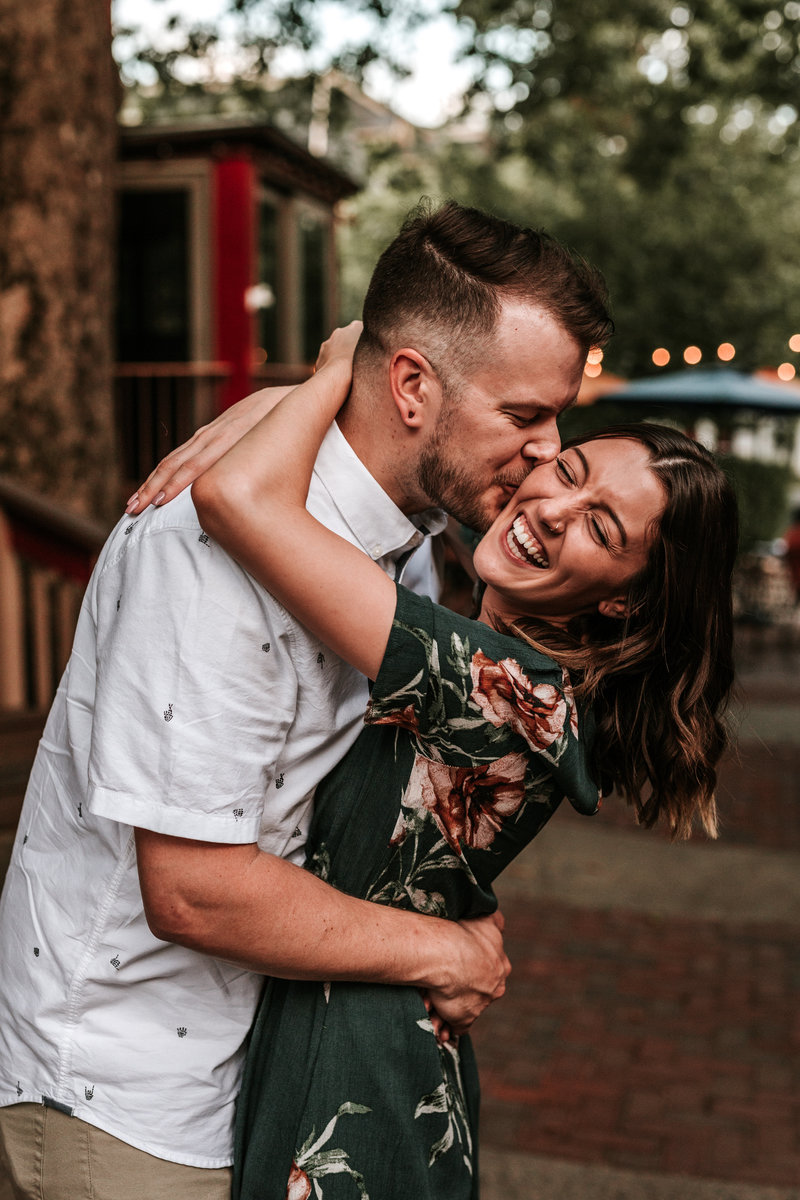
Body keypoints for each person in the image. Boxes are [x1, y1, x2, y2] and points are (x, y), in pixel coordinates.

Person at [0, 201, 613, 1198]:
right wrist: (444, 949)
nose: (546, 453)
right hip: (122, 1103)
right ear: (411, 385)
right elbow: (194, 888)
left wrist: (319, 375)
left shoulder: (402, 555)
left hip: (244, 1086)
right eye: (524, 416)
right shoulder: (203, 557)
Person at [184, 324, 739, 1200]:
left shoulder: (507, 687)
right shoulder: (481, 643)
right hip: (366, 1029)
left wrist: (341, 367)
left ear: (624, 597)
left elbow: (239, 498)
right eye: (570, 470)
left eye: (601, 525)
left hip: (354, 1076)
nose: (554, 508)